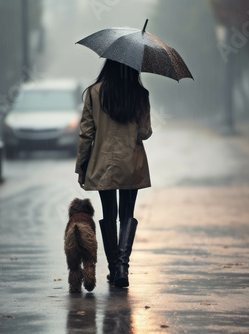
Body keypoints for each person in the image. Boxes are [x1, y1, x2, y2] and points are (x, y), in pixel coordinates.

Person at [75, 59, 152, 288]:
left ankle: (112, 268)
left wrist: (81, 167)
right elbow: (145, 132)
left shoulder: (94, 93)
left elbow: (86, 135)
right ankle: (122, 268)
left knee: (109, 214)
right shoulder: (140, 93)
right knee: (127, 213)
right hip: (132, 163)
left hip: (103, 164)